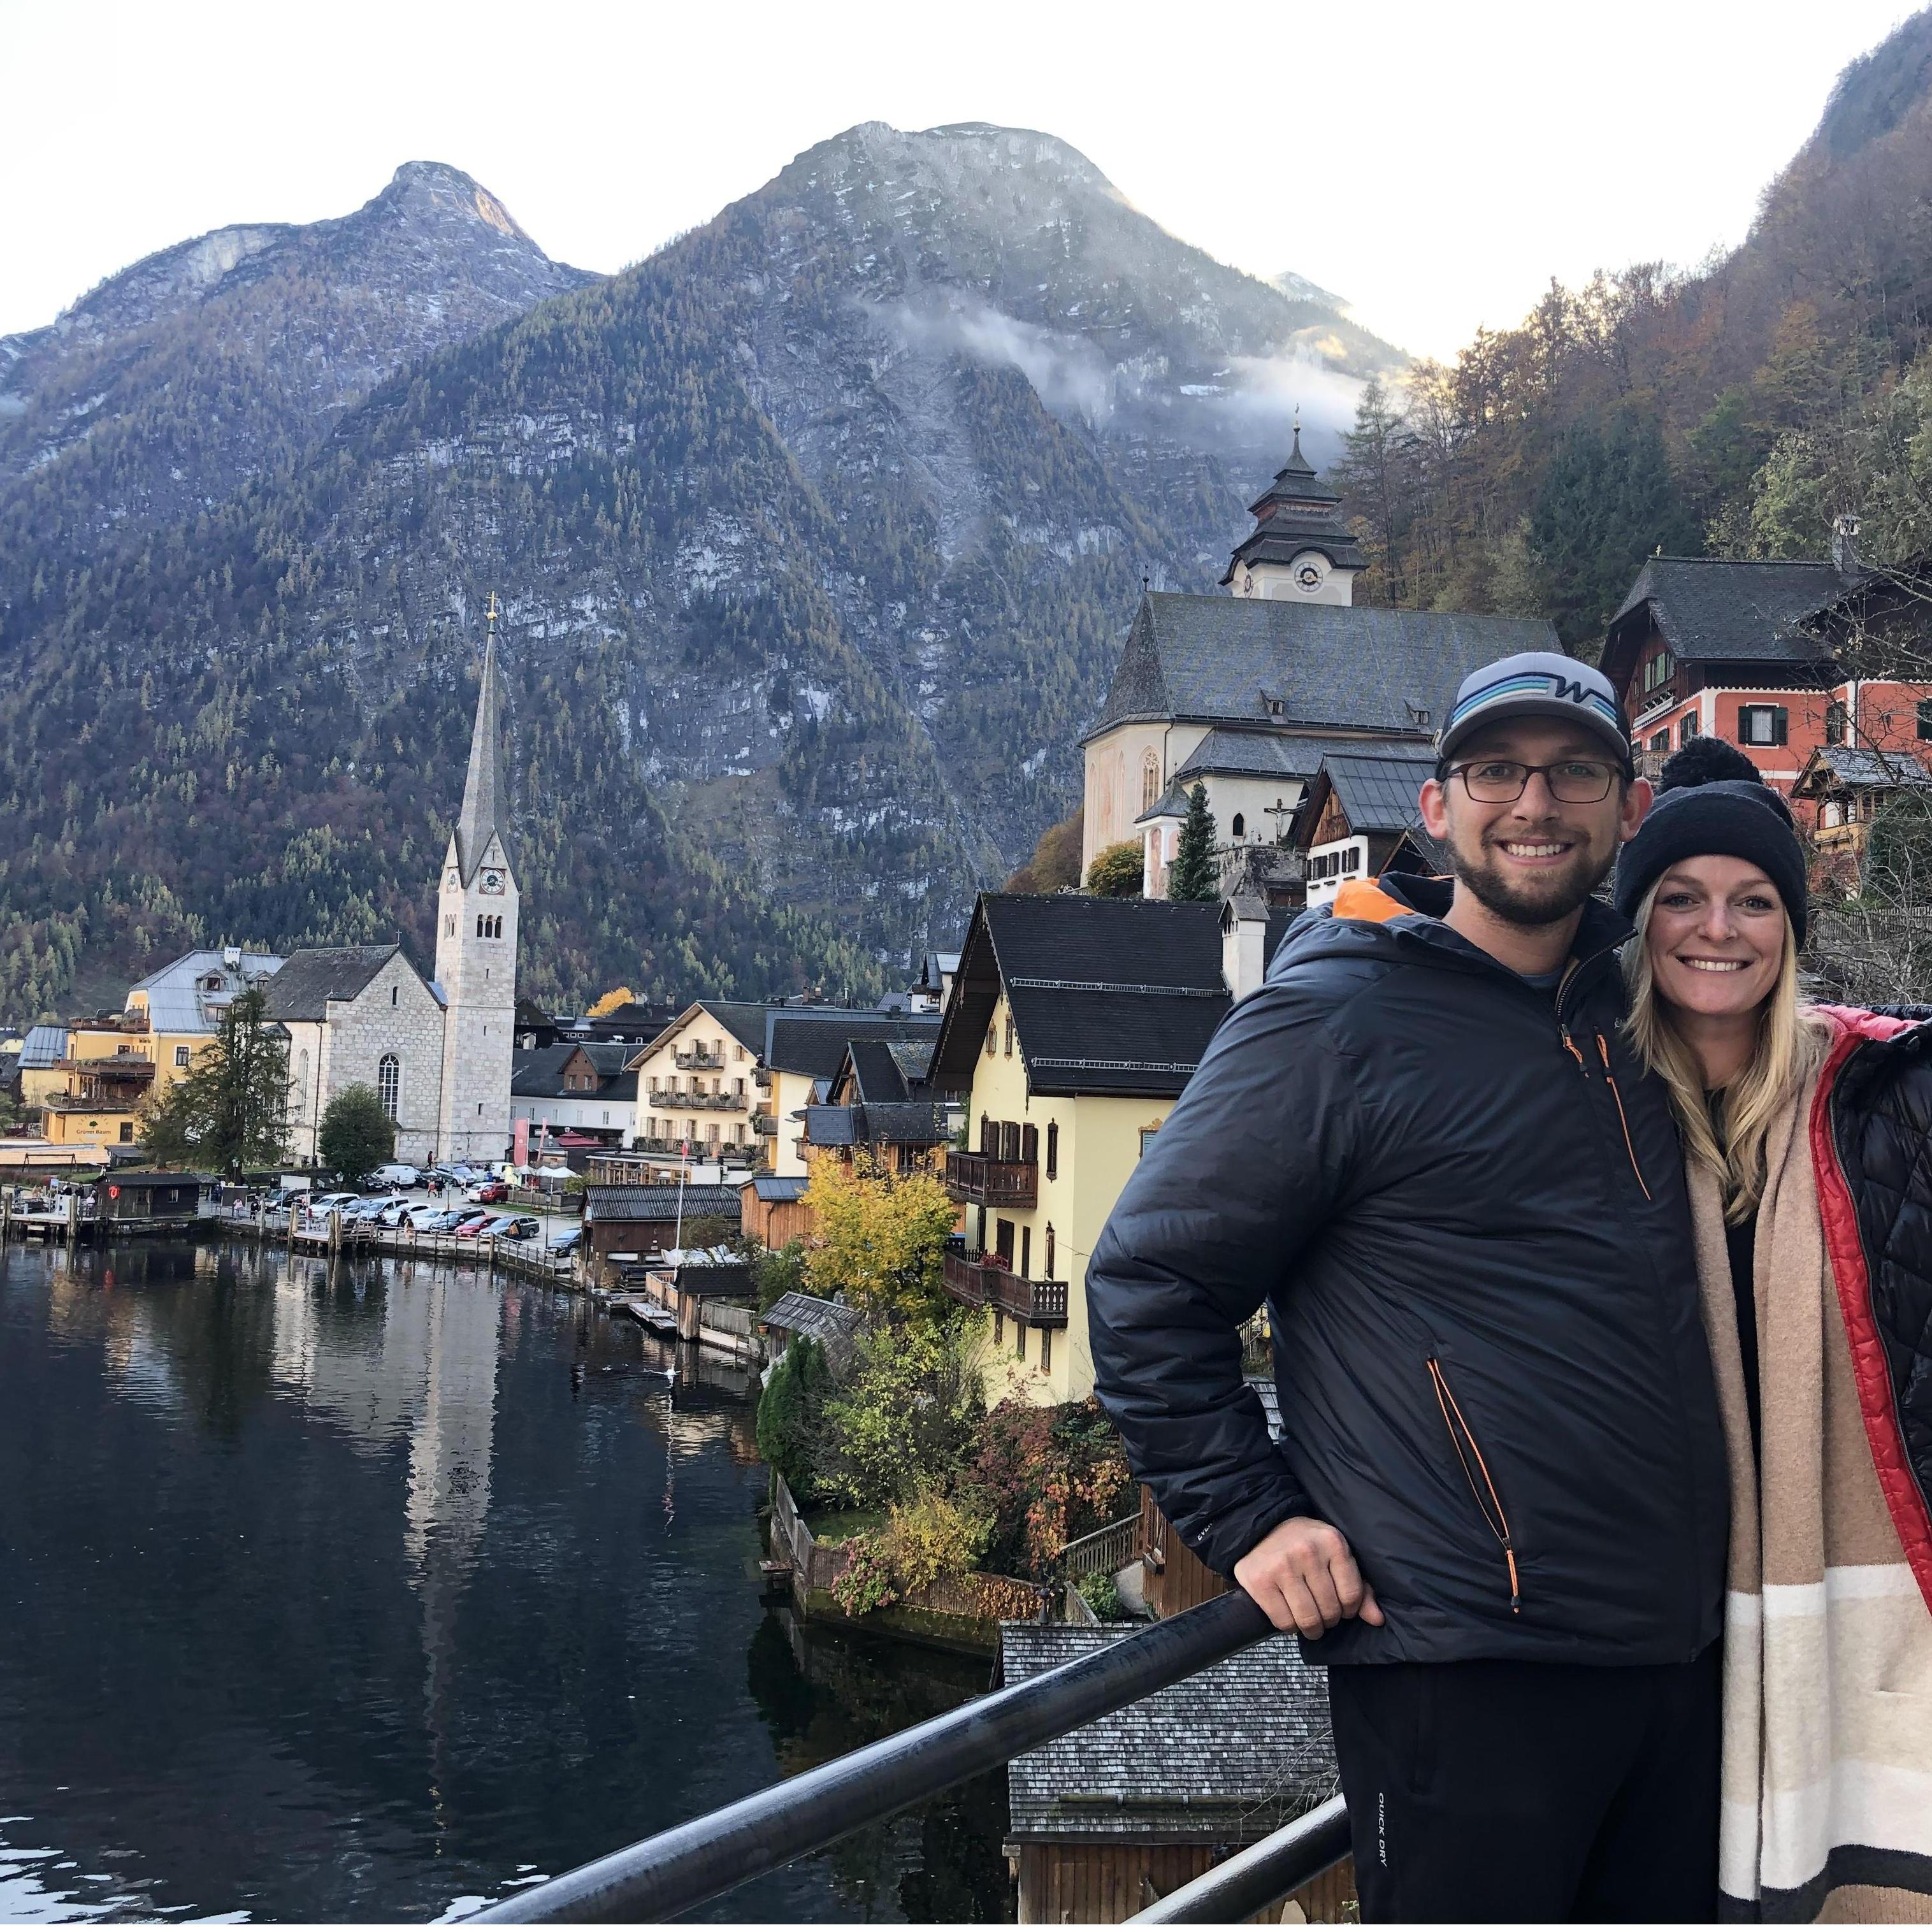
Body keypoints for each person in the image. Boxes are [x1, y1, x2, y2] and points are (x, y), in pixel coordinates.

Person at [1088, 651, 1731, 1923]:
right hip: (1465, 1666)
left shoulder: (1645, 1014)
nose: (1535, 802)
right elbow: (1149, 1280)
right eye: (1498, 769)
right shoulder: (1330, 1022)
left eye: (1573, 772)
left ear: (1628, 806)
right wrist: (1251, 1515)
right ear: (1435, 808)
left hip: (1679, 1653)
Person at [1611, 737, 1932, 1922]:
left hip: (1886, 1613)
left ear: (1790, 933)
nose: (1719, 928)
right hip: (1664, 1618)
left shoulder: (1887, 1090)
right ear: (1641, 925)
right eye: (1683, 899)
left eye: (1755, 902)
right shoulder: (1595, 1113)